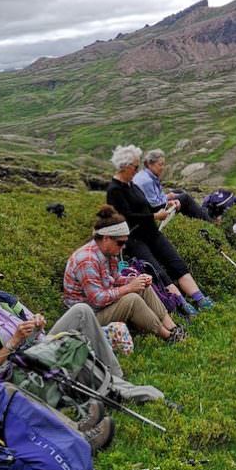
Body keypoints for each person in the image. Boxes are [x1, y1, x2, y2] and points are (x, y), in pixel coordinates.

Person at [0, 258, 123, 378]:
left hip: (39, 346)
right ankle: (103, 378)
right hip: (16, 368)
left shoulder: (4, 300)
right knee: (72, 343)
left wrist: (38, 324)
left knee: (82, 310)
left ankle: (115, 375)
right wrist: (14, 341)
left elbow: (35, 326)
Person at [106, 144, 215, 315]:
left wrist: (164, 206)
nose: (137, 170)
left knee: (175, 262)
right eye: (135, 166)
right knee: (156, 270)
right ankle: (180, 304)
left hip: (151, 232)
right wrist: (155, 217)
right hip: (134, 238)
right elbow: (126, 216)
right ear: (125, 166)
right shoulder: (114, 190)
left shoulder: (131, 185)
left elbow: (145, 206)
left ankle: (200, 298)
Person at [64, 205, 187, 344]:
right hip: (88, 317)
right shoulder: (87, 260)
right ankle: (168, 336)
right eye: (120, 242)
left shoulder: (108, 253)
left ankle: (173, 327)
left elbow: (115, 279)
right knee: (132, 299)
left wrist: (134, 280)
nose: (123, 247)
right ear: (106, 238)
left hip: (100, 307)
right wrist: (129, 288)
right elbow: (97, 299)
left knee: (142, 286)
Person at [133, 149, 210, 221]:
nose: (163, 168)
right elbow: (155, 205)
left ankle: (202, 212)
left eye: (163, 164)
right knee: (185, 198)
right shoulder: (147, 181)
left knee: (179, 191)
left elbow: (156, 196)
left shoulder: (146, 174)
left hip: (152, 205)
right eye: (160, 164)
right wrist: (168, 200)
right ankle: (208, 220)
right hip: (154, 210)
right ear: (150, 164)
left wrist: (168, 196)